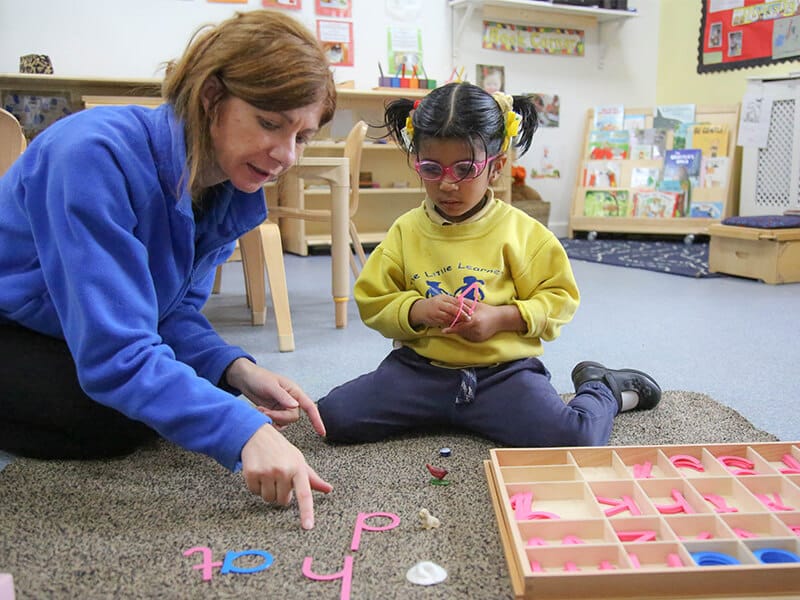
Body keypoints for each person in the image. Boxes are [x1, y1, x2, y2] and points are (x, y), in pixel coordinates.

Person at [0, 10, 336, 530]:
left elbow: (170, 310)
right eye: (270, 123)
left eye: (301, 136)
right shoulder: (91, 155)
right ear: (210, 97)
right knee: (112, 415)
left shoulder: (222, 184)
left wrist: (235, 367)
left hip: (66, 326)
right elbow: (117, 354)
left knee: (198, 390)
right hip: (12, 326)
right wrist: (244, 431)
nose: (285, 155)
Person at [317, 82, 661, 447]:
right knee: (331, 418)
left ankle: (602, 387)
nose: (447, 184)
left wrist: (501, 318)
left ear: (495, 167)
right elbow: (373, 300)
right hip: (419, 373)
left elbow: (560, 299)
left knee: (576, 438)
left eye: (464, 169)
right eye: (432, 168)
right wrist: (417, 310)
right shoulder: (405, 231)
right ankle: (446, 409)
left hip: (503, 376)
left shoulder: (524, 233)